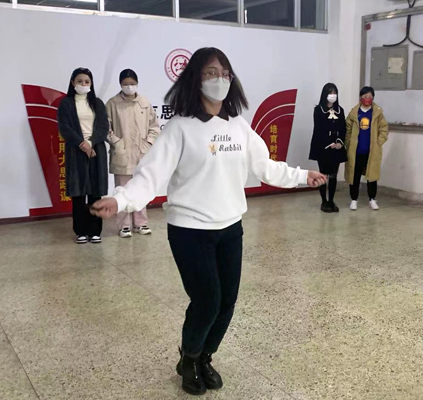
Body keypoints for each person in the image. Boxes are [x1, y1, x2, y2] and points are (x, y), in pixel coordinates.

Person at [90, 47, 327, 396]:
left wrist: (302, 175)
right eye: (211, 73)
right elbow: (149, 176)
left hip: (230, 228)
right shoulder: (180, 128)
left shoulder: (238, 126)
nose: (220, 80)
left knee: (227, 301)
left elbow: (265, 167)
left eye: (225, 73)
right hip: (190, 230)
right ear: (195, 80)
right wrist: (120, 199)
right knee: (207, 301)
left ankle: (205, 357)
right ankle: (188, 359)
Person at [106, 69, 160, 238]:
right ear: (120, 84)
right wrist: (117, 143)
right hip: (122, 153)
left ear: (137, 83)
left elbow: (154, 126)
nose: (129, 87)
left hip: (141, 154)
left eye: (132, 83)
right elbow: (105, 128)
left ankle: (141, 223)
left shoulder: (144, 102)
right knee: (122, 191)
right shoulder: (112, 103)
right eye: (126, 84)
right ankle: (124, 226)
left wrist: (148, 143)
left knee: (141, 190)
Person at [57, 68, 109, 244]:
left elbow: (103, 127)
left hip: (96, 150)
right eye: (79, 81)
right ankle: (80, 231)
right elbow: (64, 127)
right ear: (73, 82)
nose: (83, 84)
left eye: (87, 82)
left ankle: (95, 230)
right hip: (76, 151)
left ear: (91, 84)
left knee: (95, 192)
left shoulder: (97, 103)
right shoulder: (66, 103)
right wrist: (82, 144)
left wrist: (91, 142)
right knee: (78, 192)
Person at [345, 86, 388, 211]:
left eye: (370, 96)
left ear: (373, 97)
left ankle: (372, 199)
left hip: (371, 151)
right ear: (360, 97)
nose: (367, 99)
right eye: (365, 96)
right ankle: (354, 200)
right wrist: (349, 142)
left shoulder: (377, 113)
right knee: (354, 176)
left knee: (372, 176)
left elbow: (384, 129)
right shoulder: (354, 113)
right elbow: (347, 129)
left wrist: (378, 142)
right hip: (356, 151)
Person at [308, 83, 348, 213]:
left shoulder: (340, 110)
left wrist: (339, 142)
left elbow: (343, 128)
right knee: (323, 175)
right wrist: (328, 143)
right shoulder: (318, 110)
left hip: (336, 147)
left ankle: (331, 200)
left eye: (335, 93)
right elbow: (319, 129)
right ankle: (324, 201)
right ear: (325, 94)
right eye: (330, 93)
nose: (333, 96)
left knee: (333, 175)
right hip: (323, 147)